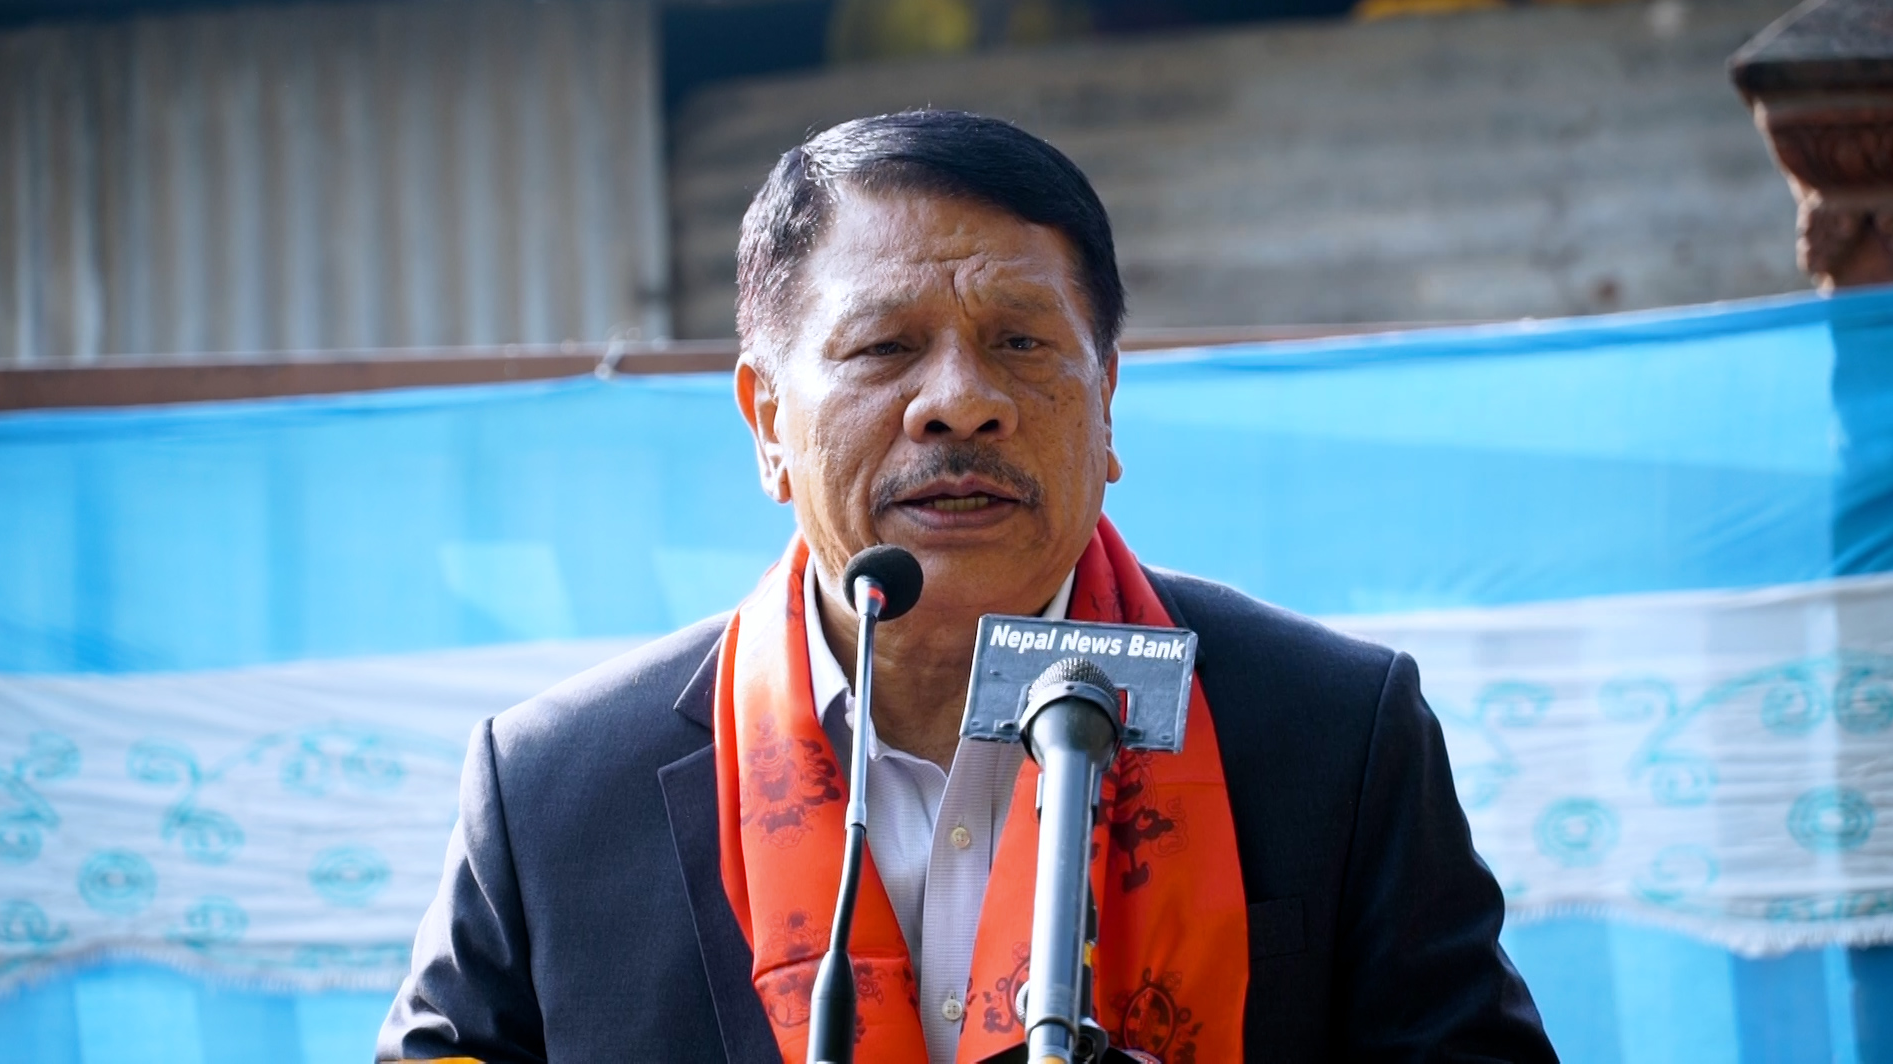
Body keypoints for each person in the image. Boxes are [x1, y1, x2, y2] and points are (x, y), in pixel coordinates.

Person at [379, 110, 1557, 1064]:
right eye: (884, 347)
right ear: (767, 423)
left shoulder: (1329, 730)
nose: (961, 402)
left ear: (1107, 406)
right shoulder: (554, 791)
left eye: (1022, 343)